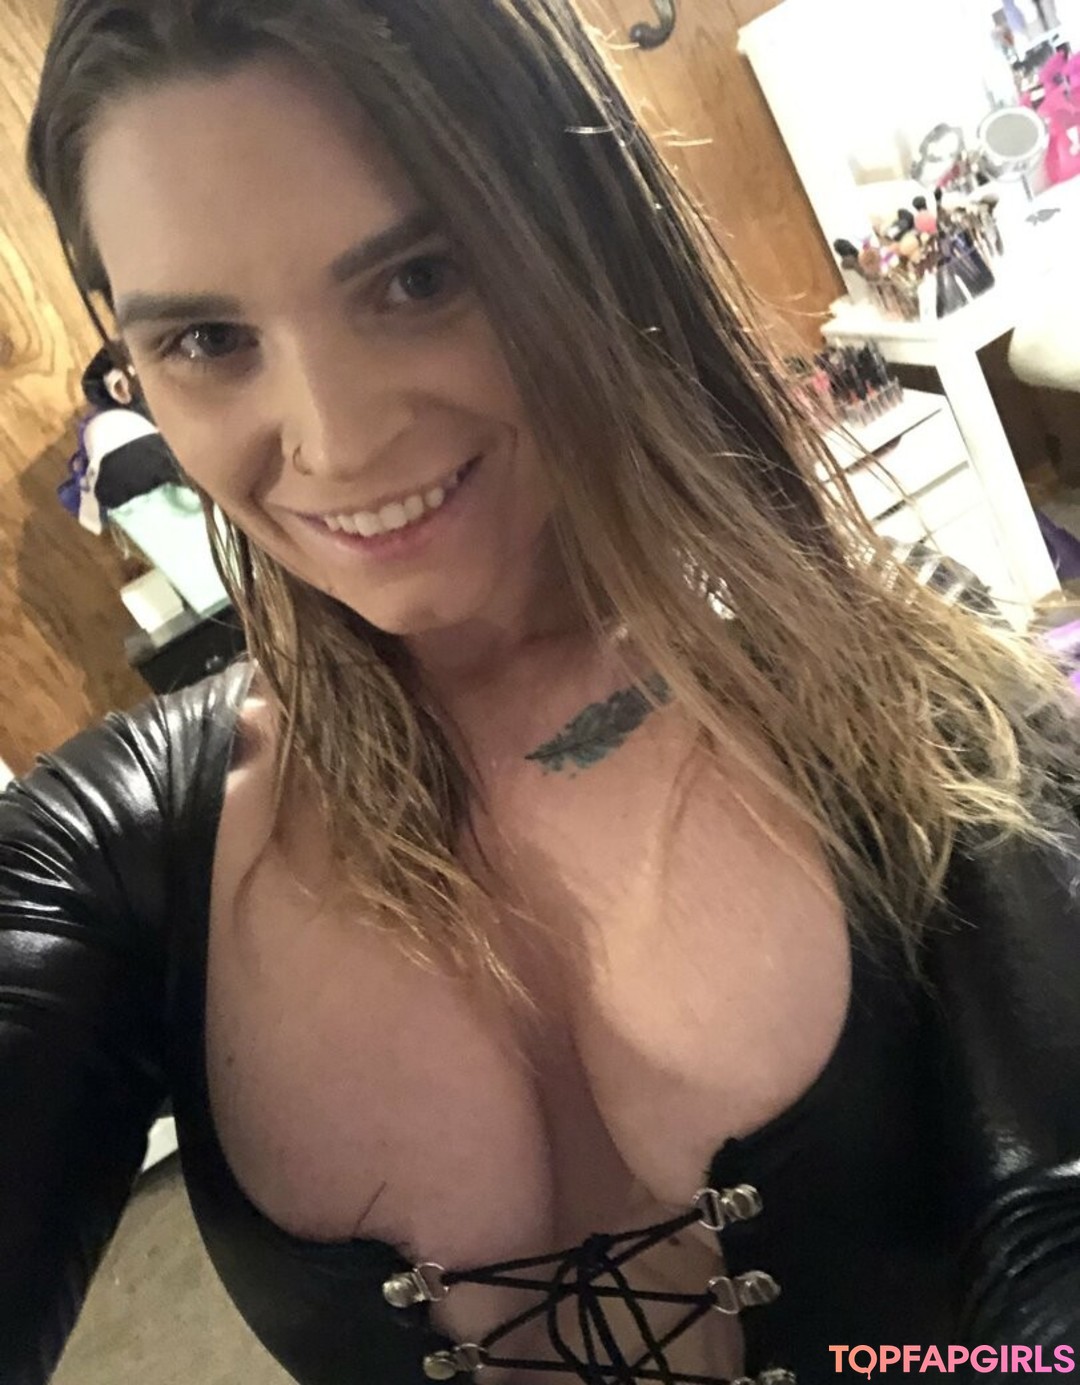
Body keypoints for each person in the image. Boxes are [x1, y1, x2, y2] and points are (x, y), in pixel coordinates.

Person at [4, 2, 1080, 1382]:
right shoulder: (124, 850)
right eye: (209, 340)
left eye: (421, 277)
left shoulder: (904, 689)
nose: (338, 440)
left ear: (587, 233)